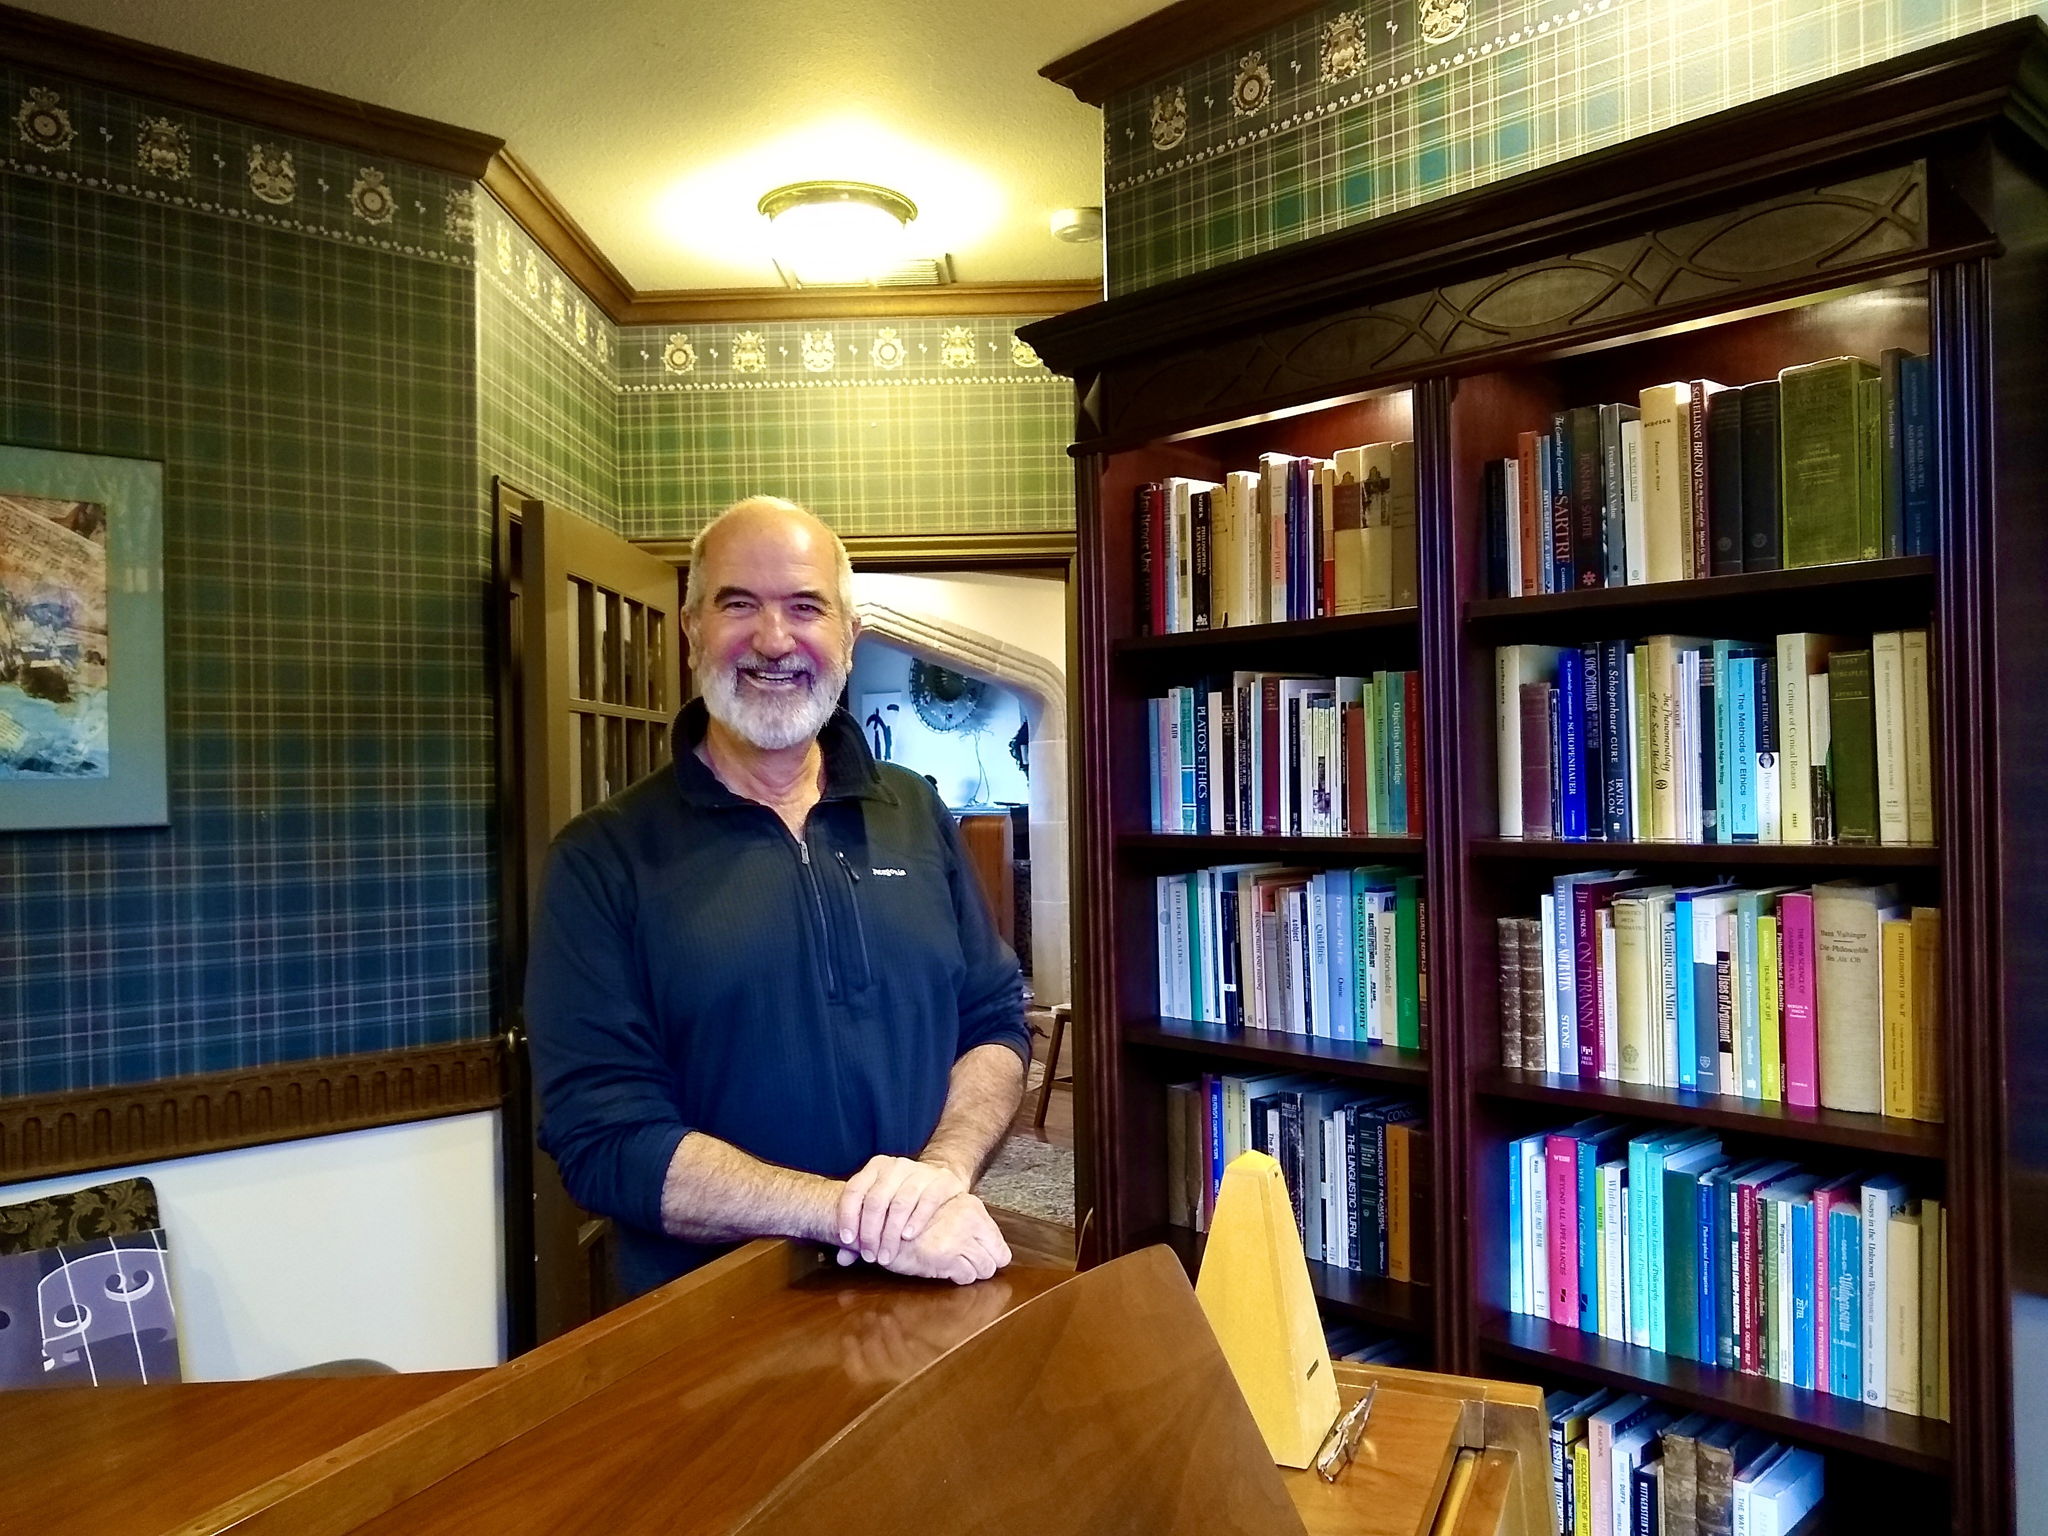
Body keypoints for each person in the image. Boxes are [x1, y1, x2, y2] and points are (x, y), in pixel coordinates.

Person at [524, 495, 1029, 1298]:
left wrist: (941, 1172)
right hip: (712, 1331)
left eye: (804, 607)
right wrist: (849, 1215)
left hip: (929, 1291)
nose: (772, 639)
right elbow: (604, 1136)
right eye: (737, 604)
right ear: (691, 629)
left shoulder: (915, 809)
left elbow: (994, 1022)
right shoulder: (602, 858)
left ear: (848, 638)